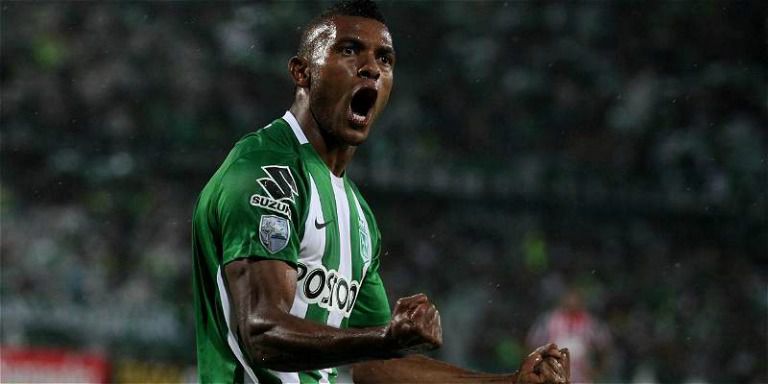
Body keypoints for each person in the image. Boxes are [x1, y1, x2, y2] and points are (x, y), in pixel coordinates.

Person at [192, 1, 569, 382]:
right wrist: (384, 336)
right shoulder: (265, 170)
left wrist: (506, 383)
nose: (371, 68)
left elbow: (377, 365)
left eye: (385, 59)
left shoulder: (359, 216)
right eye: (349, 49)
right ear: (302, 72)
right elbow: (262, 333)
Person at [527, 288, 612, 383]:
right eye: (569, 299)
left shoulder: (591, 323)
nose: (572, 303)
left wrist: (598, 371)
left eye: (575, 300)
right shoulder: (549, 321)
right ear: (562, 300)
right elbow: (532, 344)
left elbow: (605, 347)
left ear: (582, 302)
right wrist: (536, 368)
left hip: (582, 378)